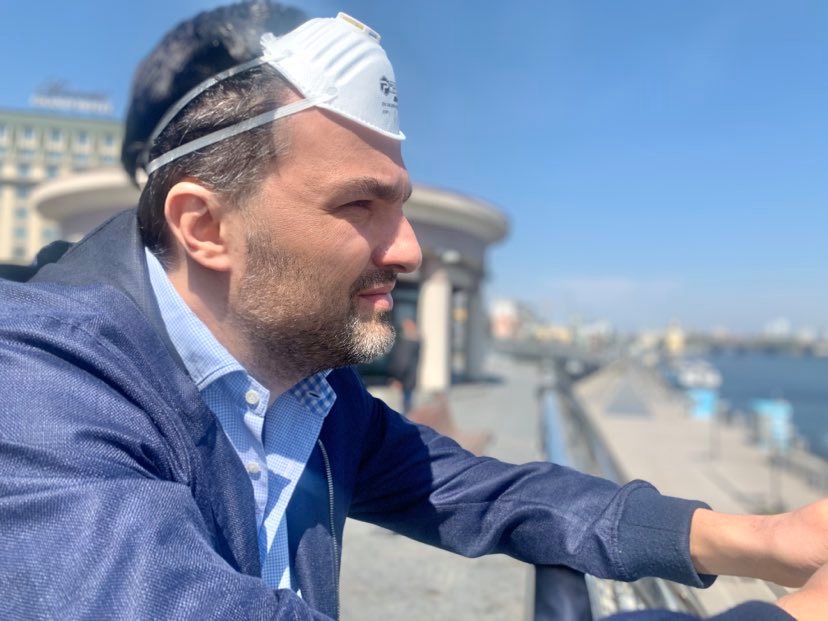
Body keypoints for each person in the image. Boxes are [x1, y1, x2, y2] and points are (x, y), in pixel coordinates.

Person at [0, 3, 826, 619]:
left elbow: (486, 493)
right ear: (205, 226)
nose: (409, 252)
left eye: (399, 206)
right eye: (360, 205)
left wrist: (760, 538)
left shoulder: (303, 383)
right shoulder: (38, 395)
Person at [387, 317, 421, 414]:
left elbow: (402, 363)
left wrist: (396, 378)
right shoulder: (415, 342)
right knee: (407, 405)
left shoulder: (407, 343)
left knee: (403, 409)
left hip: (404, 380)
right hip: (409, 380)